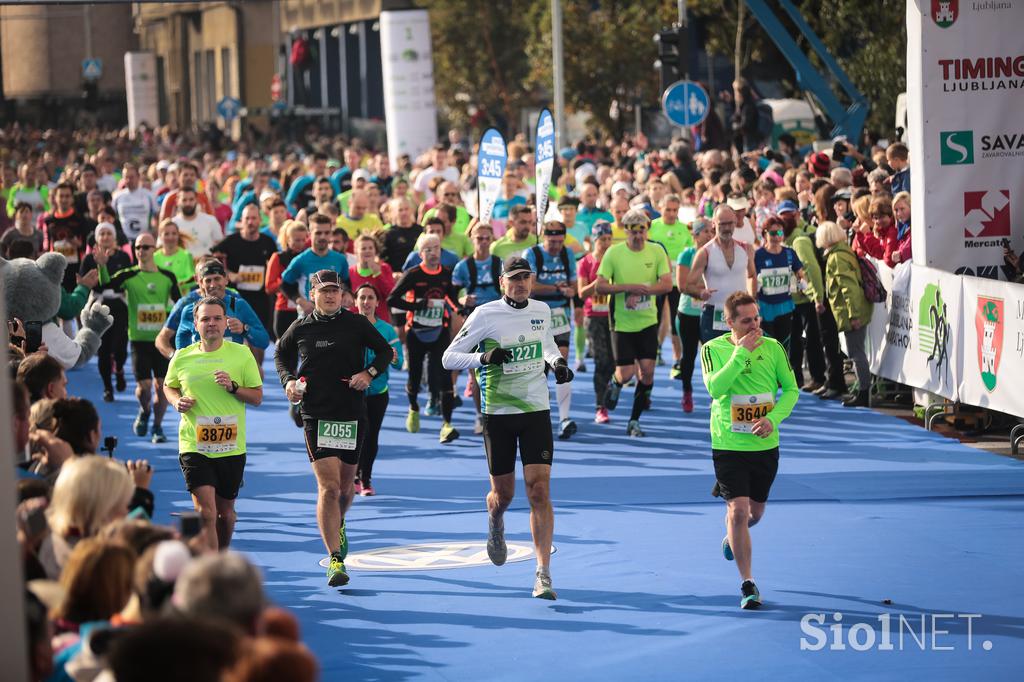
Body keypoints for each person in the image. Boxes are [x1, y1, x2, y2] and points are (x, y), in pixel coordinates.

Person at [442, 255, 574, 600]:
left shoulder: (541, 310)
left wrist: (556, 361)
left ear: (531, 281)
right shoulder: (485, 314)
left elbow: (545, 341)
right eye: (513, 279)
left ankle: (542, 572)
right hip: (498, 413)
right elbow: (449, 357)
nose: (519, 284)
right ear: (502, 282)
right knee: (504, 496)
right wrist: (483, 358)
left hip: (535, 408)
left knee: (539, 491)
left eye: (525, 278)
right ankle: (495, 522)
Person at [275, 270, 393, 586]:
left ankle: (339, 521)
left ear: (343, 295)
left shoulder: (356, 324)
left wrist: (368, 374)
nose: (330, 296)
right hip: (316, 413)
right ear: (312, 294)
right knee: (327, 488)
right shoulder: (301, 326)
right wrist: (288, 382)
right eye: (324, 291)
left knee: (344, 488)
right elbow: (280, 354)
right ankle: (335, 560)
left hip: (352, 412)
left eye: (335, 291)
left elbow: (386, 352)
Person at [701, 291, 799, 609]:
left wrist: (773, 419)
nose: (755, 324)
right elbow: (716, 388)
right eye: (747, 320)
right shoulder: (713, 349)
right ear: (729, 322)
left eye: (756, 317)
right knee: (738, 511)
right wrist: (740, 354)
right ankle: (748, 583)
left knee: (754, 514)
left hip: (764, 444)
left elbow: (792, 389)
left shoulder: (773, 348)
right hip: (728, 443)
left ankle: (733, 536)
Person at [164, 296, 263, 552]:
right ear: (195, 323)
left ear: (225, 323)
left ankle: (221, 553)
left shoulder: (241, 355)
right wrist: (176, 401)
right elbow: (168, 385)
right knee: (206, 513)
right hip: (193, 444)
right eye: (205, 319)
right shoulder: (182, 357)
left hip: (230, 446)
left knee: (225, 514)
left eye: (217, 318)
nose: (211, 324)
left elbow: (257, 397)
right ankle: (214, 567)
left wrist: (233, 387)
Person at [96, 232, 181, 442]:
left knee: (161, 388)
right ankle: (144, 411)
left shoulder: (167, 277)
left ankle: (158, 428)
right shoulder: (128, 275)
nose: (141, 251)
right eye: (137, 247)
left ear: (155, 249)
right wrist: (102, 266)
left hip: (161, 342)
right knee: (143, 388)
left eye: (145, 247)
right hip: (138, 341)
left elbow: (180, 305)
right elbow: (105, 286)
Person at [595, 209, 673, 436]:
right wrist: (627, 288)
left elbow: (667, 284)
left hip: (648, 320)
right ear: (626, 231)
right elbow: (600, 286)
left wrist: (645, 291)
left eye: (642, 231)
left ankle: (634, 421)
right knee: (626, 373)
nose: (638, 236)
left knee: (647, 371)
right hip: (622, 322)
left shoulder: (657, 250)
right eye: (633, 232)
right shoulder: (614, 253)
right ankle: (616, 383)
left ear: (647, 229)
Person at [387, 234, 463, 442]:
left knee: (445, 376)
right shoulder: (413, 274)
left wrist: (460, 308)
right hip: (416, 333)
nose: (433, 253)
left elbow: (451, 298)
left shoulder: (446, 274)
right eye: (428, 249)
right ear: (420, 254)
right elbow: (392, 299)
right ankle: (413, 407)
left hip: (439, 331)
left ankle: (447, 424)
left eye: (436, 248)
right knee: (415, 376)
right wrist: (418, 306)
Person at [524, 221, 578, 439]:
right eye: (551, 241)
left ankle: (564, 418)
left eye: (559, 241)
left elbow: (574, 286)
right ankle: (537, 416)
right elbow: (529, 286)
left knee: (561, 364)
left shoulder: (568, 254)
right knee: (538, 369)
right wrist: (556, 287)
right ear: (543, 237)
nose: (555, 246)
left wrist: (569, 292)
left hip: (560, 316)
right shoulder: (533, 253)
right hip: (536, 316)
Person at [816, 221, 874, 408]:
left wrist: (853, 314)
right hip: (853, 310)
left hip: (852, 312)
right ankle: (862, 391)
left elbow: (848, 288)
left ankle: (864, 393)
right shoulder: (843, 252)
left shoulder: (837, 257)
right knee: (857, 352)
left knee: (856, 353)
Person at [353, 283, 402, 496]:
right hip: (353, 392)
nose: (366, 302)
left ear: (377, 302)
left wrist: (393, 356)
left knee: (371, 437)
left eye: (370, 297)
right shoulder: (349, 326)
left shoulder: (387, 329)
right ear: (355, 302)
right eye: (362, 297)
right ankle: (353, 476)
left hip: (378, 393)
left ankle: (366, 479)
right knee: (355, 436)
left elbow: (399, 364)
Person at [684, 205, 756, 343]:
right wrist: (701, 293)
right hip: (714, 313)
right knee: (716, 361)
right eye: (722, 224)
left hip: (741, 313)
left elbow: (751, 276)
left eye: (730, 223)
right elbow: (688, 286)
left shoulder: (746, 248)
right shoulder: (705, 252)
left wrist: (751, 300)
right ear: (714, 224)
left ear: (735, 222)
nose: (727, 228)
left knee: (743, 358)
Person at [212, 203, 278, 348]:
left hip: (261, 298)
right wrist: (229, 274)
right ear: (241, 221)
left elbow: (275, 266)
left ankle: (256, 367)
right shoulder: (231, 241)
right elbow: (212, 258)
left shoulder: (268, 242)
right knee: (235, 336)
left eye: (254, 218)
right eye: (247, 218)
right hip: (236, 297)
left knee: (258, 337)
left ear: (260, 220)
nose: (250, 222)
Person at [80, 222, 131, 401]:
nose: (106, 237)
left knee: (120, 348)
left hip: (119, 305)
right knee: (102, 349)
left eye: (109, 233)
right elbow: (84, 282)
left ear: (115, 237)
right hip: (98, 306)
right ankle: (107, 388)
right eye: (102, 234)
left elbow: (125, 282)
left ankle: (119, 368)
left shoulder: (123, 257)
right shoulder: (88, 259)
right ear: (96, 238)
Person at [647, 193, 693, 378]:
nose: (672, 214)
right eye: (668, 210)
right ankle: (653, 351)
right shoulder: (653, 227)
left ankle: (677, 361)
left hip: (677, 283)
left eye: (675, 210)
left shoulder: (684, 229)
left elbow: (691, 254)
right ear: (660, 208)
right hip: (656, 281)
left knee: (676, 321)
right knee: (654, 318)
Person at [576, 221, 616, 423]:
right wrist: (598, 283)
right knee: (601, 361)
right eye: (602, 239)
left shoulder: (617, 260)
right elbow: (582, 293)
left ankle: (609, 388)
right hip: (594, 317)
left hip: (616, 316)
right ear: (594, 240)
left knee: (615, 360)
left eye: (609, 239)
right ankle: (600, 406)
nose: (606, 243)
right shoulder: (585, 262)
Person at [674, 218, 714, 412]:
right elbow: (682, 286)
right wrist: (704, 289)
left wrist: (699, 287)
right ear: (696, 235)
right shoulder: (687, 255)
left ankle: (716, 394)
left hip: (711, 312)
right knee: (689, 355)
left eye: (711, 231)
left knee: (713, 356)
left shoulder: (716, 254)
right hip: (688, 312)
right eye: (706, 231)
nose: (710, 234)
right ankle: (687, 392)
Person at [279, 214, 351, 317]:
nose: (322, 237)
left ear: (331, 233)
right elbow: (284, 284)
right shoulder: (300, 260)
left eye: (326, 233)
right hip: (309, 317)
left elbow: (346, 281)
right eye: (318, 233)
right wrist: (300, 301)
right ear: (309, 234)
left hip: (335, 317)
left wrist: (348, 293)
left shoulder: (340, 259)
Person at [753, 215, 807, 351]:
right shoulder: (758, 255)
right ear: (765, 234)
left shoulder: (789, 253)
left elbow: (800, 273)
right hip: (764, 307)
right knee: (768, 347)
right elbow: (750, 278)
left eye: (780, 232)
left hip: (785, 306)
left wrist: (802, 284)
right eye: (773, 233)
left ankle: (781, 371)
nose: (777, 236)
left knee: (783, 347)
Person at [265, 220, 309, 340]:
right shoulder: (278, 257)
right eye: (296, 240)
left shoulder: (308, 257)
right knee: (285, 353)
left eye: (303, 240)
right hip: (284, 309)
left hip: (306, 308)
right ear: (288, 239)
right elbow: (269, 287)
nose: (300, 243)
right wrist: (286, 282)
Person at [112, 162, 159, 240]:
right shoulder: (117, 196)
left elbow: (157, 216)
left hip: (144, 241)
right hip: (124, 240)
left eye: (131, 177)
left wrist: (154, 233)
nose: (128, 180)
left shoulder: (149, 195)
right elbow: (111, 216)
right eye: (126, 177)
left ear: (138, 177)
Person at [174, 186, 223, 259]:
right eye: (184, 200)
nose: (188, 203)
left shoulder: (210, 220)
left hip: (206, 266)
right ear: (178, 201)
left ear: (196, 200)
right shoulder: (173, 224)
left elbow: (220, 244)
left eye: (191, 199)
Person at [153, 219, 196, 296]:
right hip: (161, 302)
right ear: (160, 236)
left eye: (174, 233)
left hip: (182, 302)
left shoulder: (186, 255)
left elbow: (192, 280)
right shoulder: (154, 258)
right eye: (166, 234)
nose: (170, 237)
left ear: (178, 235)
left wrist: (176, 284)